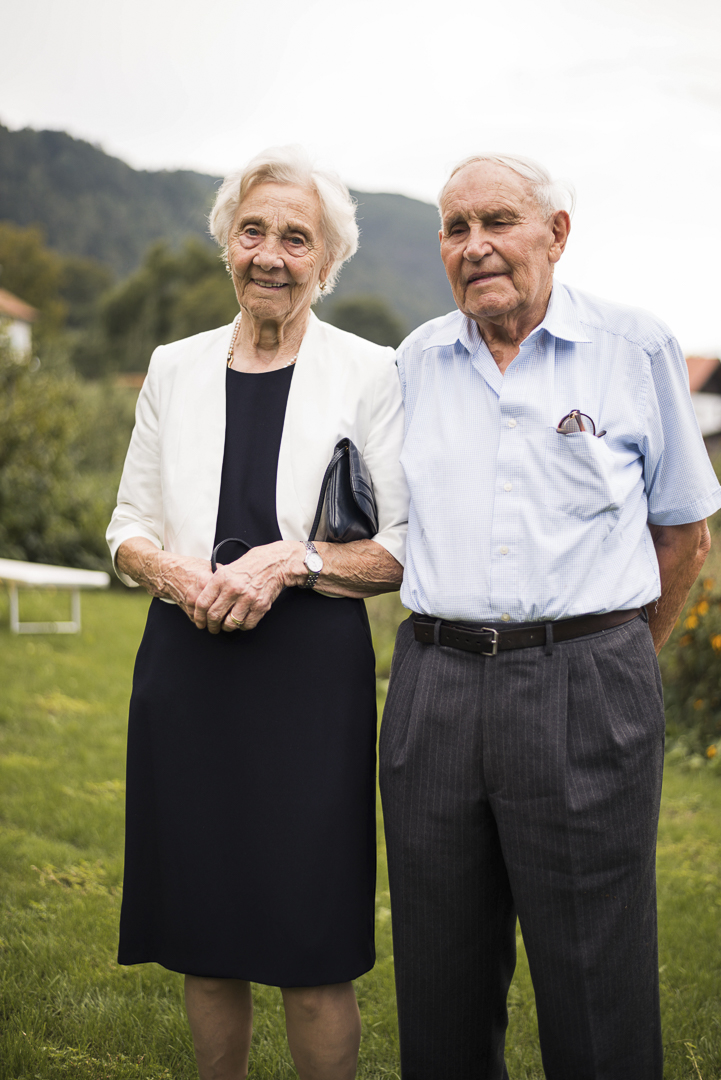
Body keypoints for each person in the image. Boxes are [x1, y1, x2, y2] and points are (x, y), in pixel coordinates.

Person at [378, 153, 721, 1080]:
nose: (475, 246)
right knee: (438, 980)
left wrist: (617, 663)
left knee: (596, 983)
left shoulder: (632, 347)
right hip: (434, 687)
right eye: (455, 228)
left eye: (497, 221)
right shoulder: (414, 361)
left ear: (556, 234)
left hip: (585, 681)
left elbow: (683, 537)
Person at [106, 145, 408, 1080]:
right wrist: (175, 574)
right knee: (206, 936)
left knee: (312, 947)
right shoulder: (174, 366)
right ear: (226, 243)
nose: (269, 255)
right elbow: (127, 526)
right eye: (251, 231)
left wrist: (293, 561)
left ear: (328, 259)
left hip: (308, 680)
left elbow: (401, 547)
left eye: (295, 238)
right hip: (186, 667)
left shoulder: (371, 372)